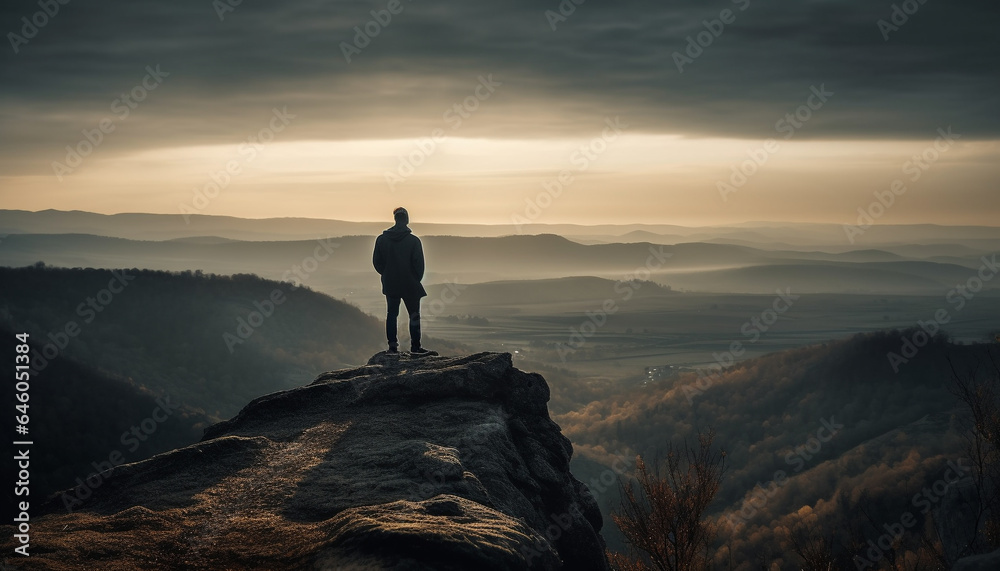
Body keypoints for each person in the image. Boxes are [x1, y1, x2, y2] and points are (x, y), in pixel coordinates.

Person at [373, 207, 429, 354]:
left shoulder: (381, 240)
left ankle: (392, 346)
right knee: (414, 315)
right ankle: (415, 347)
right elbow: (419, 266)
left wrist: (386, 274)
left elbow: (377, 263)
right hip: (410, 283)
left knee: (392, 314)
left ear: (395, 219)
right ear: (407, 220)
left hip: (390, 283)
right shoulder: (414, 241)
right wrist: (415, 279)